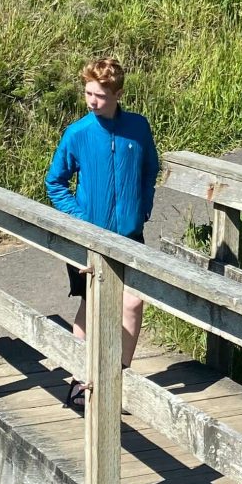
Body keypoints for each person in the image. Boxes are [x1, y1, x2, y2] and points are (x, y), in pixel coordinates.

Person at [45, 56, 159, 411]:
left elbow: (149, 171)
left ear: (118, 93)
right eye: (88, 93)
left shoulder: (138, 128)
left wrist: (141, 209)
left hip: (128, 236)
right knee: (91, 304)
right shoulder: (78, 133)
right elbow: (55, 182)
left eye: (100, 95)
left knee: (133, 302)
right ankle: (82, 379)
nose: (92, 101)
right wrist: (80, 221)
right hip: (87, 238)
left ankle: (119, 380)